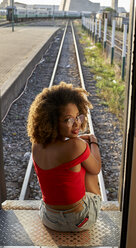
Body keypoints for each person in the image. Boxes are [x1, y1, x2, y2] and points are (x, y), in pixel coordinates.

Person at [27, 81, 102, 232]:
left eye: (77, 117)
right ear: (52, 122)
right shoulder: (76, 146)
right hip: (79, 220)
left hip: (49, 218)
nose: (76, 124)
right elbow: (96, 168)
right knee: (88, 167)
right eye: (68, 119)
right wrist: (92, 142)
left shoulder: (36, 144)